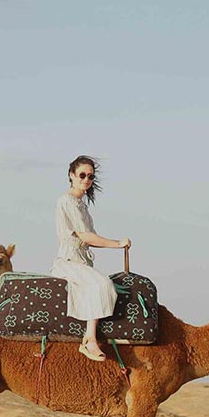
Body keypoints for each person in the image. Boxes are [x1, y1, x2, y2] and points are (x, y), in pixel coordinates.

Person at [52, 155, 130, 361]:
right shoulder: (67, 201)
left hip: (82, 261)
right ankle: (89, 340)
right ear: (71, 175)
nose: (86, 179)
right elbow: (86, 236)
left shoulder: (81, 205)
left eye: (90, 176)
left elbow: (89, 238)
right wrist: (117, 243)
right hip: (69, 261)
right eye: (82, 175)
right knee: (102, 284)